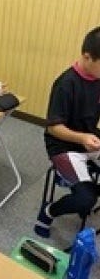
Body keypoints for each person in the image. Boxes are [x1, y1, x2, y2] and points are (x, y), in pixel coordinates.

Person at [34, 26, 100, 238]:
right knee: (85, 200)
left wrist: (87, 137)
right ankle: (49, 211)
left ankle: (88, 185)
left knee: (87, 195)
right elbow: (53, 128)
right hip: (62, 146)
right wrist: (82, 137)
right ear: (87, 57)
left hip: (89, 138)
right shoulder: (66, 84)